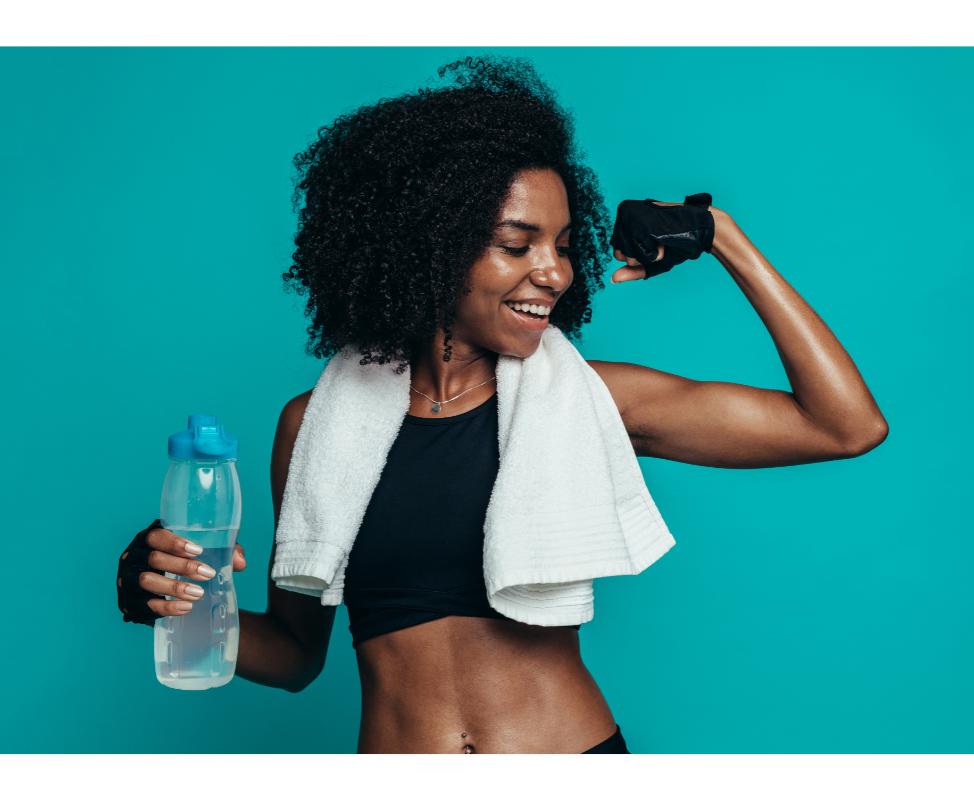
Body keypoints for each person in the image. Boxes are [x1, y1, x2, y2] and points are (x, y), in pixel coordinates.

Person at [115, 57, 888, 754]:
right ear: (432, 245)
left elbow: (845, 425)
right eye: (518, 245)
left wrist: (723, 237)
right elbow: (293, 656)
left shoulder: (591, 400)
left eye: (560, 244)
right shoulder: (316, 428)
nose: (553, 272)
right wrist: (167, 601)